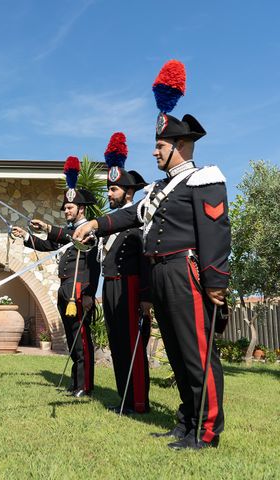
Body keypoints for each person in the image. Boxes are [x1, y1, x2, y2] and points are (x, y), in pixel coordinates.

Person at [73, 60, 230, 449]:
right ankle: (186, 420)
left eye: (159, 147)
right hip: (160, 275)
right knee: (177, 353)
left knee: (196, 353)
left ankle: (207, 431)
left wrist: (215, 280)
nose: (155, 153)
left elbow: (216, 232)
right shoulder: (160, 189)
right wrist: (95, 225)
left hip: (186, 272)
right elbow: (131, 215)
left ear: (179, 145)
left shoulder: (203, 178)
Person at [13, 156, 100, 397]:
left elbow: (88, 257)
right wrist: (26, 237)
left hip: (79, 292)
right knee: (73, 338)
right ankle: (76, 382)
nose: (66, 211)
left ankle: (86, 385)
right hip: (65, 289)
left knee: (82, 338)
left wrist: (90, 293)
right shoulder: (69, 231)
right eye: (65, 208)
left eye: (70, 207)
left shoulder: (90, 231)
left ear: (81, 208)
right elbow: (49, 245)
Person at [98, 132, 152, 414]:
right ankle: (125, 397)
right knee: (118, 343)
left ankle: (139, 402)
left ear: (129, 193)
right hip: (110, 286)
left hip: (130, 286)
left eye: (114, 190)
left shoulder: (137, 220)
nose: (109, 194)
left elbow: (145, 260)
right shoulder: (111, 223)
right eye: (109, 189)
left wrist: (145, 296)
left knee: (132, 345)